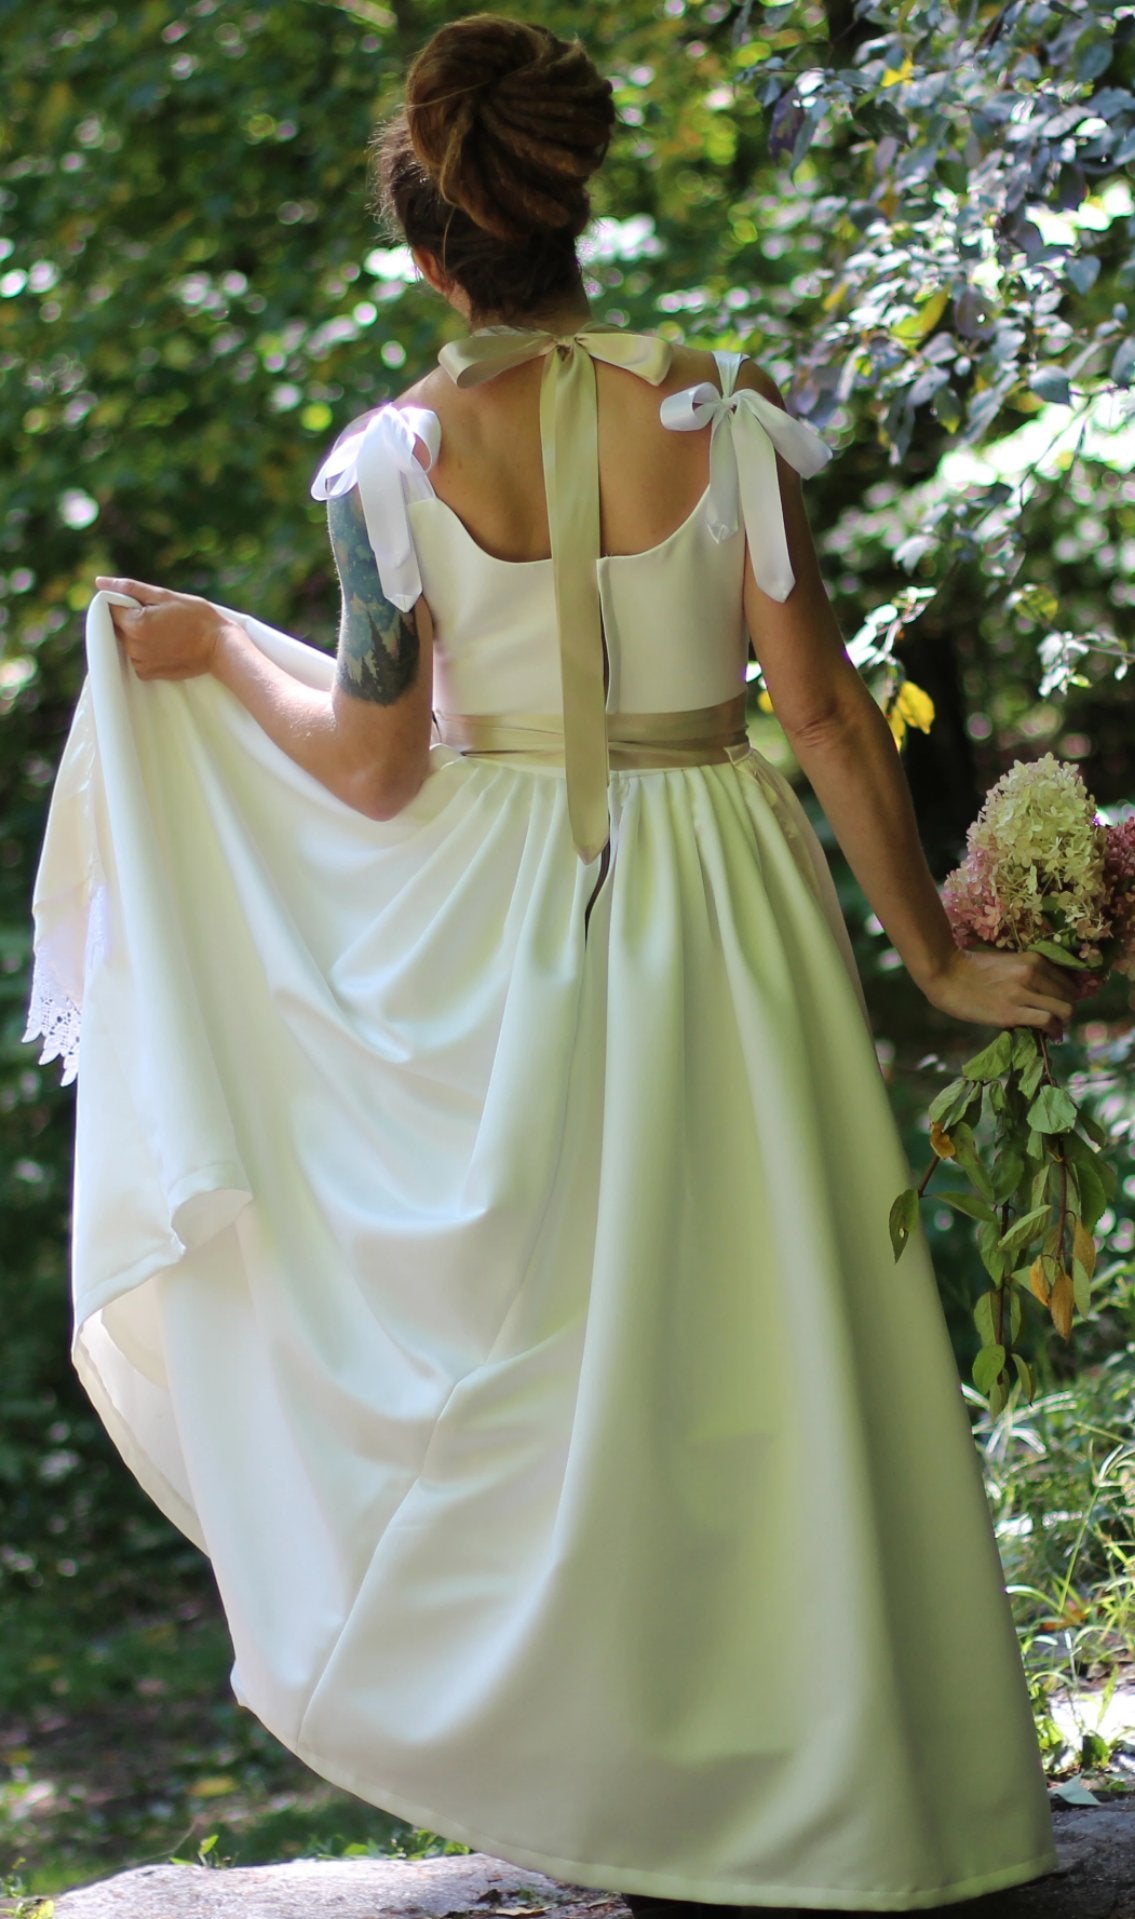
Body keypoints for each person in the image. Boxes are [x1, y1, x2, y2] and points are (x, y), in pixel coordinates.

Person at [26, 14, 1071, 1913]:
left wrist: (217, 649)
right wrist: (929, 953)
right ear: (574, 202)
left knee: (562, 1330)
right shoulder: (716, 410)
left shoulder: (390, 464)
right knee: (758, 1301)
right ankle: (855, 1785)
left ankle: (629, 1769)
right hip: (726, 892)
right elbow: (827, 713)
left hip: (508, 911)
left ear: (436, 243)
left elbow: (367, 760)